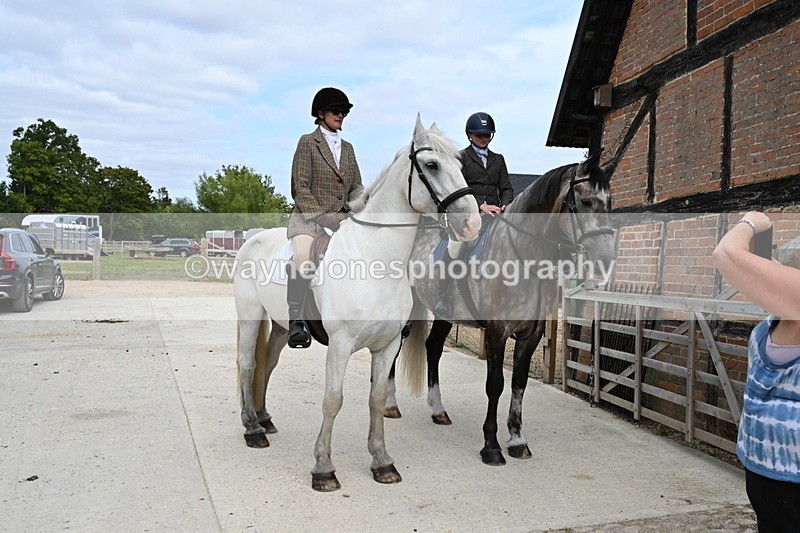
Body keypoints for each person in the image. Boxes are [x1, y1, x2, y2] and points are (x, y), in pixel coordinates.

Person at [712, 211, 800, 533]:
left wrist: (751, 221)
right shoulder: (771, 321)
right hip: (766, 472)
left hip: (780, 474)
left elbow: (727, 253)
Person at [286, 87, 364, 348]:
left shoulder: (349, 149)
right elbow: (300, 186)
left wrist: (359, 207)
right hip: (308, 219)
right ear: (321, 114)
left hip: (342, 220)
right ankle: (296, 320)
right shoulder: (308, 142)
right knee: (303, 255)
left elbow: (356, 186)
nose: (341, 115)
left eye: (344, 112)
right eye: (336, 111)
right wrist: (321, 217)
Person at [433, 111, 514, 318]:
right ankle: (444, 294)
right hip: (468, 215)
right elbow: (458, 189)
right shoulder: (460, 158)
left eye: (487, 134)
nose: (484, 138)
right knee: (456, 246)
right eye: (479, 135)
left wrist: (505, 205)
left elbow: (506, 188)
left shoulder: (498, 159)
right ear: (470, 135)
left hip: (496, 215)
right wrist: (480, 206)